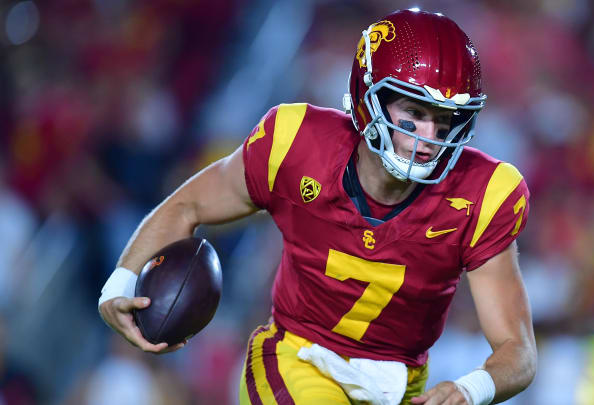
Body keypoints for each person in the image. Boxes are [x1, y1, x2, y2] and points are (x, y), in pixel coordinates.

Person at [99, 9, 536, 405]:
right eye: (414, 114)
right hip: (298, 358)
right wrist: (118, 285)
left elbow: (518, 352)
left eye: (446, 121)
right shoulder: (295, 143)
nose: (430, 138)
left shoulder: (483, 194)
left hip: (400, 386)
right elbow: (187, 205)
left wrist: (469, 388)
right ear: (370, 99)